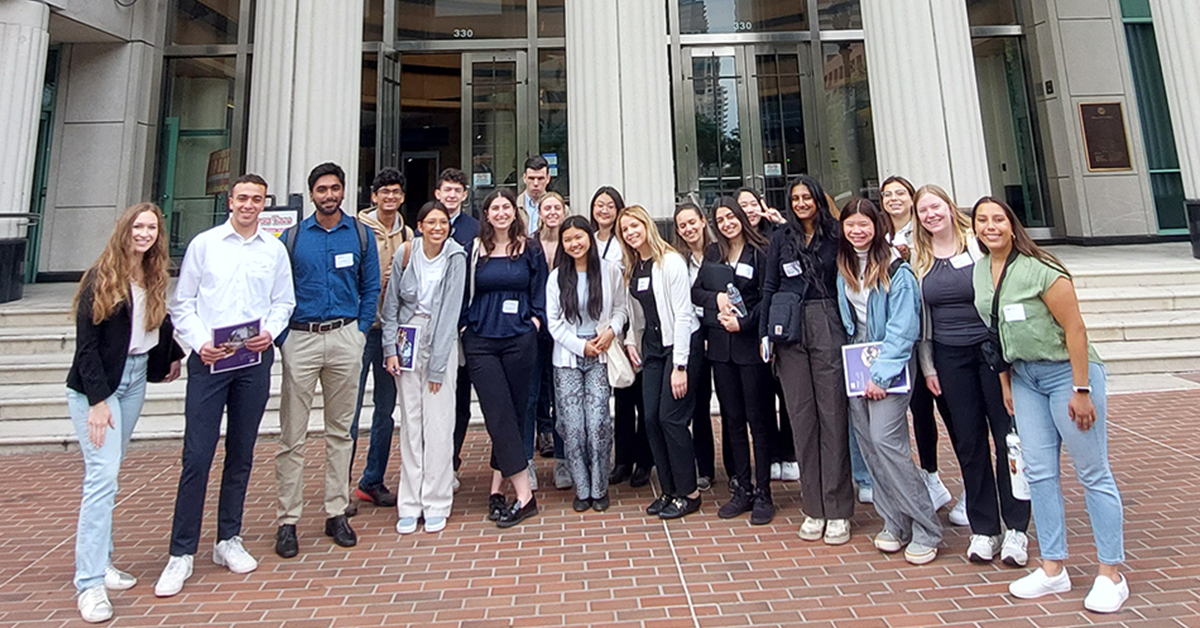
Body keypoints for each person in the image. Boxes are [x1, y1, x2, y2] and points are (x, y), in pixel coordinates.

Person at [972, 198, 1128, 613]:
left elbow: (1075, 328)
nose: (991, 227)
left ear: (1012, 224)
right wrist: (1007, 383)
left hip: (1067, 376)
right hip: (1024, 378)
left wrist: (1081, 389)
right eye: (982, 221)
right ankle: (1053, 567)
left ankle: (1111, 573)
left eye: (998, 219)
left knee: (1093, 472)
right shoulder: (979, 271)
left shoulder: (1043, 269)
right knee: (1038, 474)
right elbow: (996, 332)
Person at [156, 175, 295, 597]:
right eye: (242, 198)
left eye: (257, 199)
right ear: (229, 200)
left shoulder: (274, 250)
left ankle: (227, 539)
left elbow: (283, 302)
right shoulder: (205, 244)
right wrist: (199, 344)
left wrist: (270, 332)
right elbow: (182, 302)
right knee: (197, 455)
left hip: (253, 361)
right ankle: (181, 552)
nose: (249, 205)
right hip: (210, 362)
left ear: (264, 203)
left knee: (241, 452)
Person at [68, 203, 183, 621]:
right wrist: (97, 402)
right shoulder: (102, 276)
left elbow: (159, 324)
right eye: (138, 225)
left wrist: (174, 355)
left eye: (151, 227)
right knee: (101, 478)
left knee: (110, 474)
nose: (145, 233)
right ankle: (90, 583)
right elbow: (86, 347)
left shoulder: (151, 274)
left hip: (134, 377)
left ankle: (104, 562)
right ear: (125, 229)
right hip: (97, 389)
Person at [911, 185, 1031, 564]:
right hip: (948, 357)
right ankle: (984, 528)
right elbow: (921, 322)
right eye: (923, 210)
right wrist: (928, 367)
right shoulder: (918, 257)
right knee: (968, 441)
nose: (930, 214)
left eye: (936, 207)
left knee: (1006, 437)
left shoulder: (975, 245)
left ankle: (1015, 528)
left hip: (990, 354)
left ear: (949, 207)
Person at [274, 162, 381, 557]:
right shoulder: (292, 238)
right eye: (322, 189)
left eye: (335, 188)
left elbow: (371, 287)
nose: (329, 195)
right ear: (312, 193)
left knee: (341, 431)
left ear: (344, 191)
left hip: (344, 337)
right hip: (300, 339)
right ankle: (288, 519)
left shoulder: (361, 235)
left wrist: (358, 331)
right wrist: (284, 339)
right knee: (292, 435)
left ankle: (336, 511)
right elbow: (278, 290)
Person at [835, 197, 943, 565]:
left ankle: (926, 526)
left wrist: (882, 373)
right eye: (851, 224)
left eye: (864, 224)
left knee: (887, 442)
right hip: (856, 363)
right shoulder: (845, 264)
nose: (857, 230)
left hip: (889, 367)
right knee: (868, 446)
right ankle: (894, 520)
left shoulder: (898, 270)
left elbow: (903, 328)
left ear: (877, 226)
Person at [760, 175, 854, 545]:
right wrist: (766, 333)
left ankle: (839, 510)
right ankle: (813, 507)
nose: (801, 204)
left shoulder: (836, 234)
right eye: (795, 198)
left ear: (818, 198)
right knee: (802, 418)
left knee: (833, 417)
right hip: (789, 329)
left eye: (806, 197)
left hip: (827, 320)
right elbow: (770, 286)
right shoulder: (781, 238)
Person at [381, 202, 467, 535]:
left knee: (439, 425)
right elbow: (392, 307)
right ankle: (410, 502)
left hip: (440, 346)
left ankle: (436, 501)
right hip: (407, 341)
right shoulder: (407, 254)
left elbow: (450, 313)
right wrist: (390, 349)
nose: (437, 227)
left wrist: (436, 366)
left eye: (443, 222)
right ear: (419, 225)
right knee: (411, 422)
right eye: (431, 221)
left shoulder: (456, 257)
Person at [464, 188, 547, 528]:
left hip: (519, 339)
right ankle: (526, 496)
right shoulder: (474, 250)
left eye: (506, 207)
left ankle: (497, 490)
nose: (500, 212)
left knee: (512, 413)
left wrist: (536, 320)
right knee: (497, 412)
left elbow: (541, 288)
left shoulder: (530, 248)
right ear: (486, 214)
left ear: (515, 213)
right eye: (494, 208)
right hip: (482, 340)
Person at [692, 198, 775, 524]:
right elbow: (697, 292)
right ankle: (742, 488)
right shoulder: (714, 253)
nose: (726, 223)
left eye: (731, 217)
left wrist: (746, 322)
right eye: (720, 219)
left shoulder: (762, 251)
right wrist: (718, 300)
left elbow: (768, 297)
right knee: (732, 419)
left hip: (750, 347)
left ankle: (764, 492)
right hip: (721, 351)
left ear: (741, 217)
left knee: (759, 420)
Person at [619, 204, 703, 520]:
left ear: (647, 225)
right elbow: (635, 314)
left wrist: (680, 366)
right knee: (651, 418)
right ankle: (669, 489)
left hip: (679, 346)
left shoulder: (669, 262)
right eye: (625, 230)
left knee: (672, 419)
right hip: (652, 349)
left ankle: (689, 493)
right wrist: (630, 341)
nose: (631, 233)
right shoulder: (634, 267)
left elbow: (683, 314)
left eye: (635, 226)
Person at [880, 175, 955, 513]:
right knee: (919, 412)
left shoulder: (924, 235)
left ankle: (973, 483)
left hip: (933, 337)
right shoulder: (879, 233)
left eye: (900, 193)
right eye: (887, 194)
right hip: (899, 340)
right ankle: (931, 476)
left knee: (952, 413)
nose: (893, 199)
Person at [546, 215, 629, 511]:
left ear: (589, 238)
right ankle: (582, 489)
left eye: (578, 237)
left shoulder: (608, 272)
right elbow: (553, 324)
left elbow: (621, 308)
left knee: (597, 423)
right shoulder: (556, 277)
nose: (574, 244)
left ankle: (599, 487)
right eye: (567, 239)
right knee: (573, 426)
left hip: (601, 355)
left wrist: (609, 333)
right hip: (568, 358)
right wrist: (581, 346)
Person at [349, 167, 414, 512]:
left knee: (385, 410)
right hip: (360, 329)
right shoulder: (356, 230)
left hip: (392, 331)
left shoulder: (409, 234)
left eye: (396, 192)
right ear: (373, 196)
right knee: (349, 410)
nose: (390, 197)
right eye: (384, 192)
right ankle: (339, 486)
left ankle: (372, 479)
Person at [736, 187, 798, 483]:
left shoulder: (777, 232)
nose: (748, 210)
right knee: (761, 398)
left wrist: (783, 225)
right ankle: (772, 454)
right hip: (751, 332)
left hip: (782, 323)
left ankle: (789, 453)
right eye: (742, 205)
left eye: (752, 203)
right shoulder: (735, 243)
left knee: (786, 393)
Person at [591, 186, 652, 487]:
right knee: (622, 398)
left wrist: (627, 332)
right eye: (599, 205)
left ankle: (644, 460)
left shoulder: (625, 242)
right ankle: (623, 460)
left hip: (632, 327)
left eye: (610, 205)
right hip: (603, 332)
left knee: (640, 395)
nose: (604, 210)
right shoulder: (587, 241)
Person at [436, 168, 480, 485]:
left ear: (465, 195)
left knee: (460, 401)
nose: (452, 195)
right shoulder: (427, 225)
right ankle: (432, 464)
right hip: (432, 329)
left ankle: (450, 463)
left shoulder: (475, 229)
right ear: (438, 193)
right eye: (447, 190)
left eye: (457, 190)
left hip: (464, 328)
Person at [672, 202, 716, 492]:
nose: (688, 229)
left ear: (702, 221)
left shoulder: (718, 253)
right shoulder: (679, 259)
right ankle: (706, 468)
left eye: (692, 222)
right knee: (698, 405)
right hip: (695, 335)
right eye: (682, 225)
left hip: (724, 332)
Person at [531, 192, 572, 489]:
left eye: (558, 207)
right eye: (547, 207)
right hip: (534, 330)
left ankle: (563, 459)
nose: (553, 212)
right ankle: (530, 457)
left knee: (562, 396)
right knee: (533, 392)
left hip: (565, 330)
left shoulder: (573, 241)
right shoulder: (529, 243)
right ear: (539, 211)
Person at [516, 155, 551, 234]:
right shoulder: (514, 206)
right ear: (524, 178)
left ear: (548, 178)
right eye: (531, 178)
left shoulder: (559, 209)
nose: (535, 183)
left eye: (540, 178)